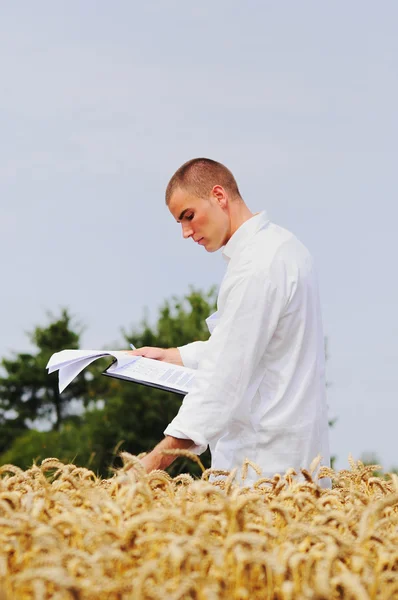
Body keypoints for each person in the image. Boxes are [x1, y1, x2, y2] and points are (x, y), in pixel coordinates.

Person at [131, 158, 330, 485]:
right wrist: (174, 356)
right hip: (298, 464)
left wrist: (144, 469)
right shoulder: (285, 248)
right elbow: (254, 345)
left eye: (188, 216)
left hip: (261, 472)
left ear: (219, 196)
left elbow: (220, 382)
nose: (185, 232)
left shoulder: (256, 267)